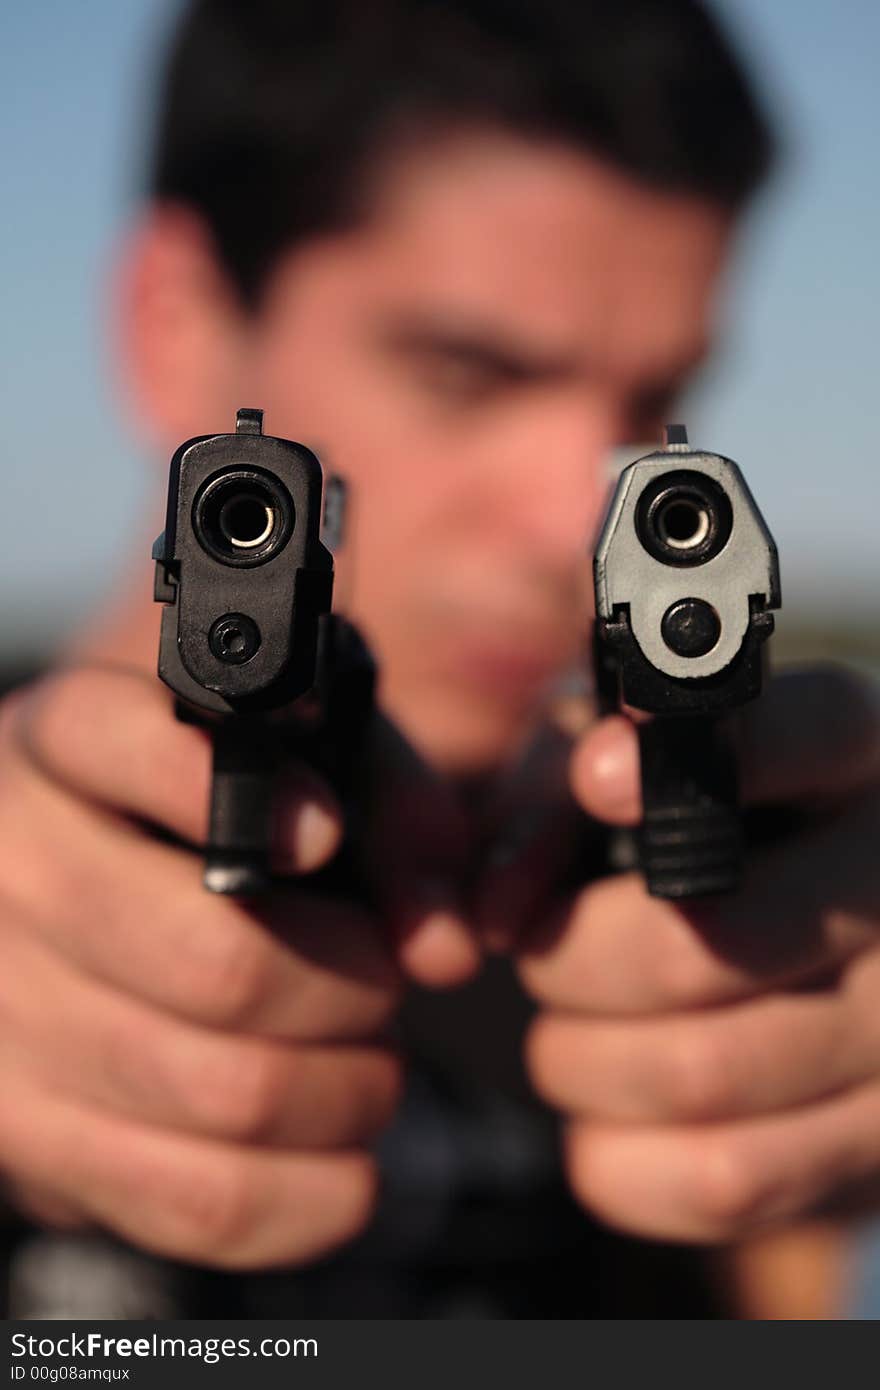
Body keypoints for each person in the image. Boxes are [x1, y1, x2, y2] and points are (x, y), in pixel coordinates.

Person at [1, 0, 877, 1318]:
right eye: (465, 373)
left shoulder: (728, 894)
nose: (580, 510)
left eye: (648, 408)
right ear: (175, 322)